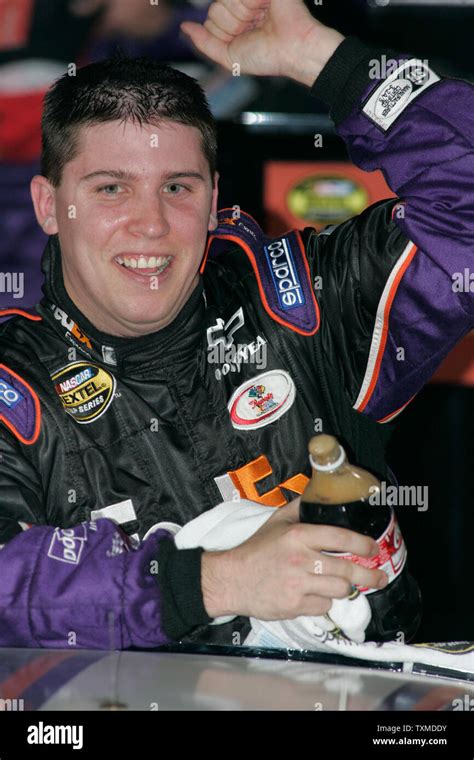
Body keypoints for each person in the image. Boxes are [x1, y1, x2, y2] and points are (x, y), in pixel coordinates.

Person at [0, 0, 472, 650]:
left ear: (215, 198)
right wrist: (213, 583)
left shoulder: (307, 308)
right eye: (111, 188)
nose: (151, 224)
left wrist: (325, 61)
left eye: (178, 188)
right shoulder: (11, 383)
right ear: (51, 205)